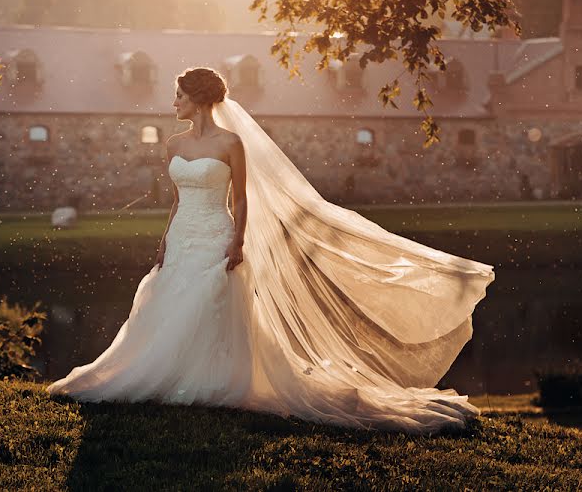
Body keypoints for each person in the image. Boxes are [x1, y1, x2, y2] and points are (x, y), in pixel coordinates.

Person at [46, 67, 496, 434]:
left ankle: (211, 380)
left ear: (198, 99)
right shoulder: (174, 144)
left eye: (179, 95)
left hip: (217, 235)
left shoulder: (230, 143)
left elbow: (240, 199)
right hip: (183, 235)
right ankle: (175, 377)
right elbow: (178, 199)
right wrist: (165, 239)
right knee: (169, 305)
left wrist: (237, 240)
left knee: (210, 306)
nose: (173, 102)